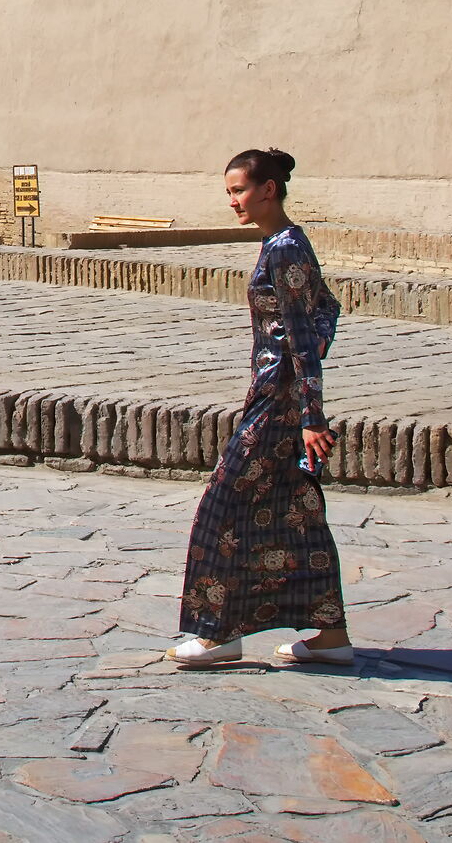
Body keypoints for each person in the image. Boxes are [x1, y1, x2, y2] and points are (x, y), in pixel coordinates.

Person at [172, 147, 351, 670]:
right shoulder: (283, 244)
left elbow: (300, 333)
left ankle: (216, 633)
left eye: (239, 190)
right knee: (296, 512)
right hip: (276, 396)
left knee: (221, 509)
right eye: (229, 192)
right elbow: (328, 310)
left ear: (268, 189)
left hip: (277, 403)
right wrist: (313, 355)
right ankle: (331, 634)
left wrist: (311, 416)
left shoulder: (285, 249)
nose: (233, 201)